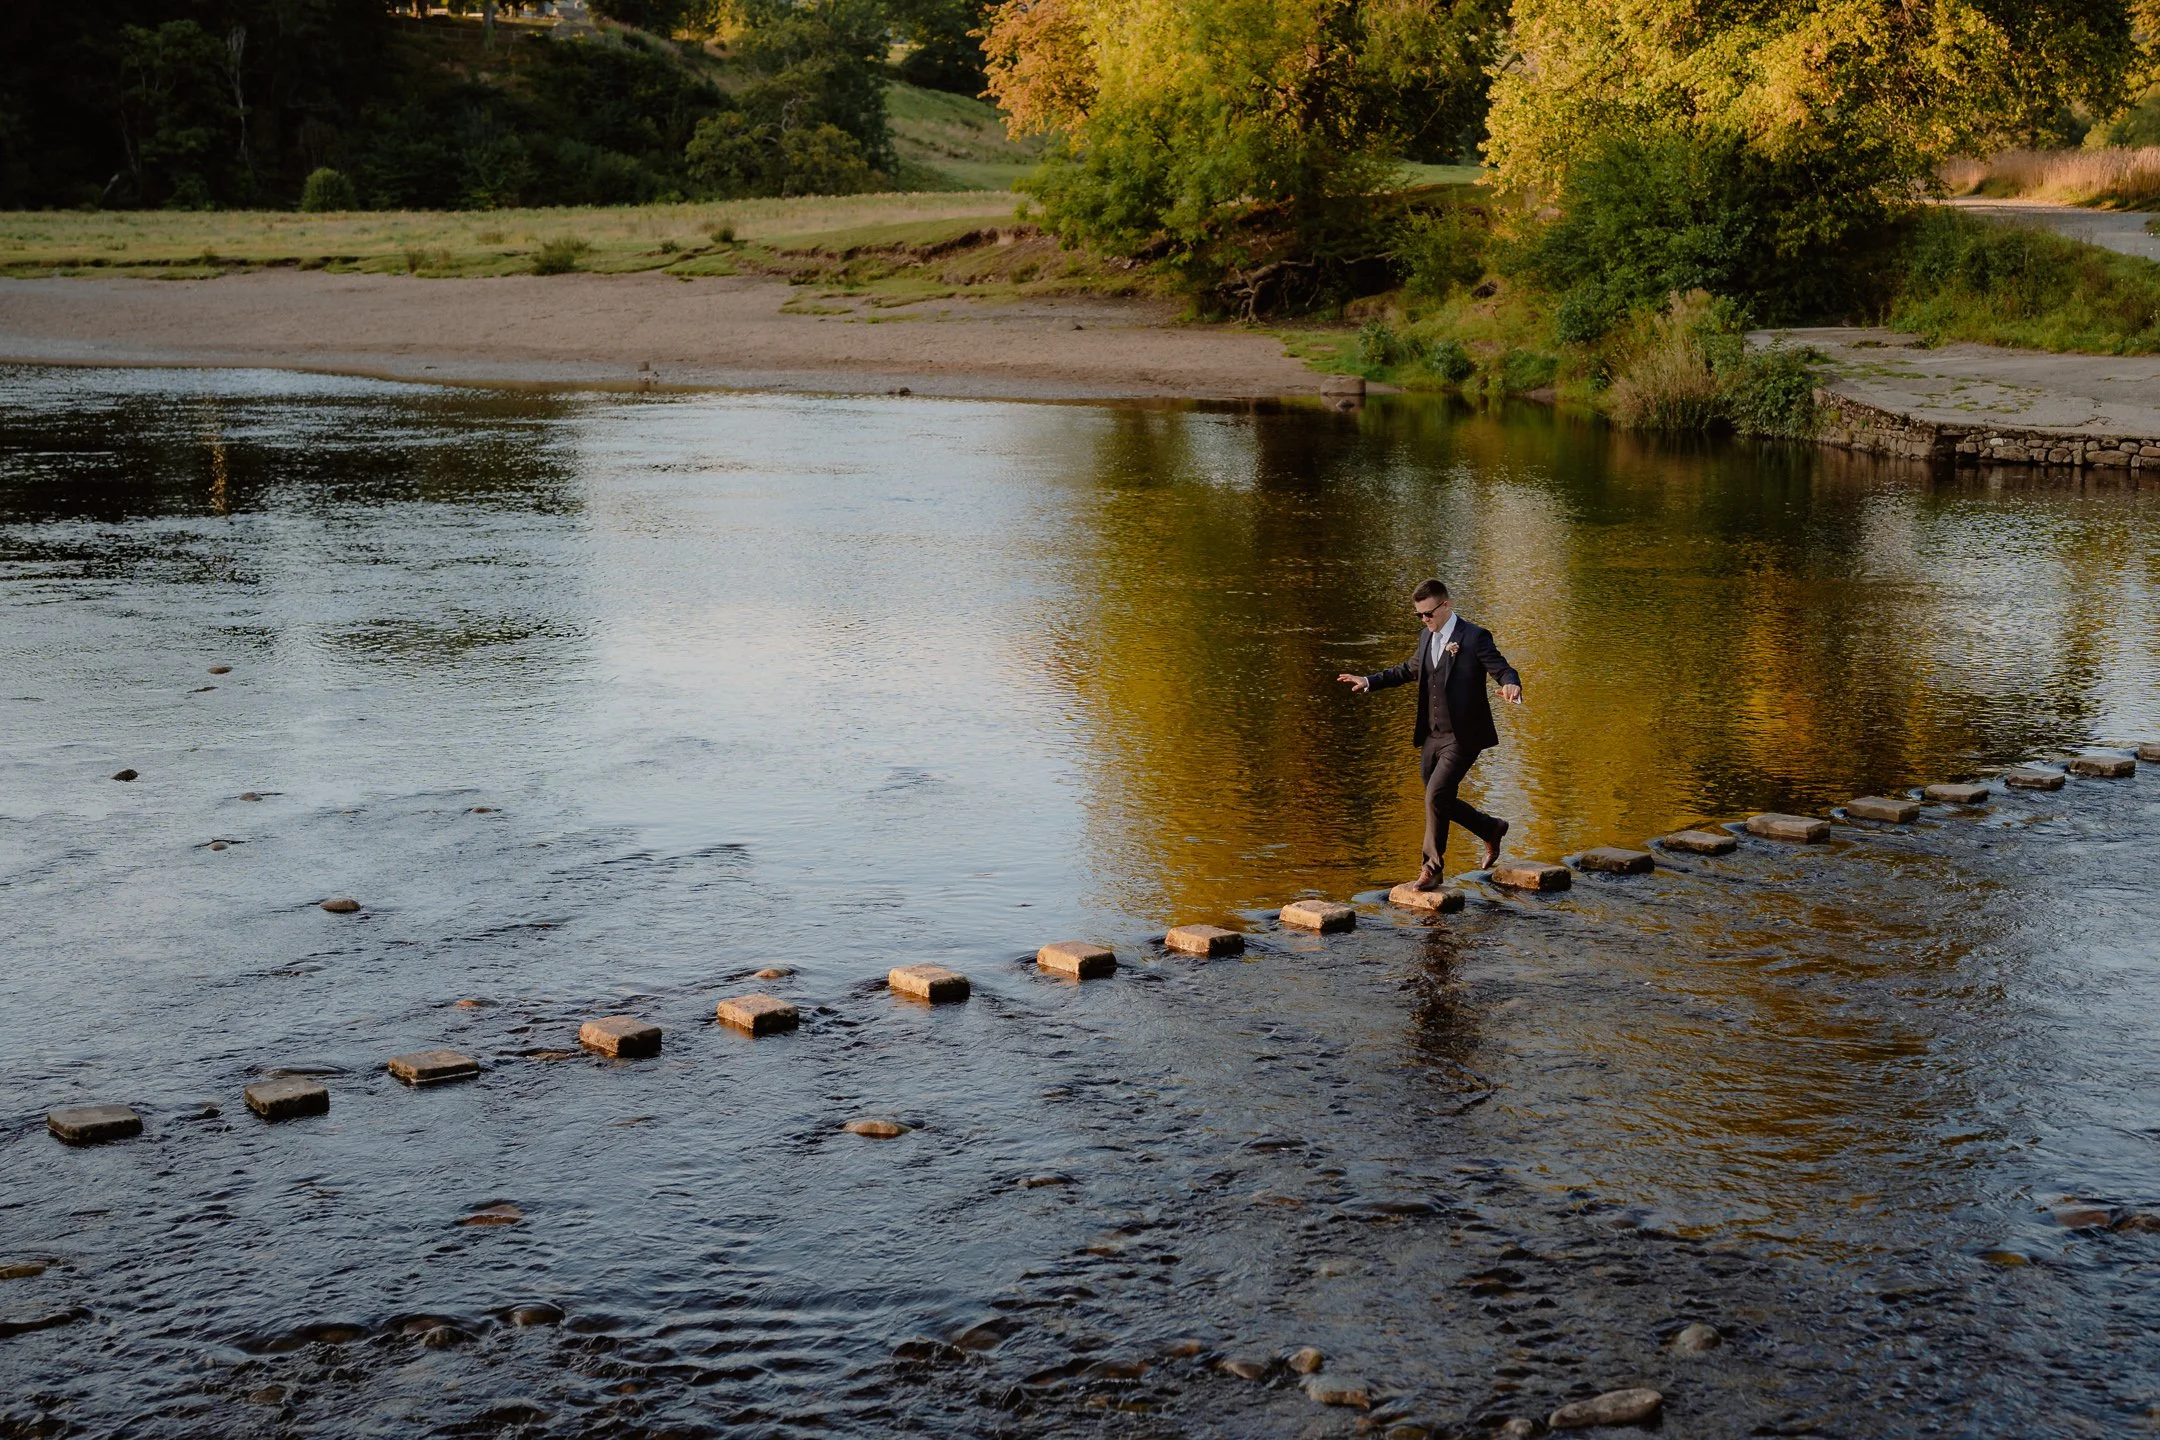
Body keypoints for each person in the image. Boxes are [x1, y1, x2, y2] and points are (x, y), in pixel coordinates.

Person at [1337, 579, 1521, 889]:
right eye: (1419, 616)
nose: (1424, 620)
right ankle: (1490, 828)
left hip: (1464, 736)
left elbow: (1502, 669)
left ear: (1446, 606)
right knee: (1438, 799)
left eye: (1428, 614)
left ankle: (1432, 868)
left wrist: (1511, 685)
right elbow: (1408, 670)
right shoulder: (1426, 637)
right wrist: (1369, 680)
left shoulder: (1474, 637)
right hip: (1432, 734)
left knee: (1436, 795)